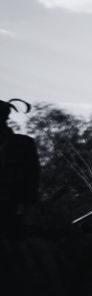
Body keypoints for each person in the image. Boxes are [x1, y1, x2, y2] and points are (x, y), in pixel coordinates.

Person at [0, 98, 40, 243]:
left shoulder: (23, 144)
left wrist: (25, 213)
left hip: (14, 215)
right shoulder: (24, 143)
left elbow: (31, 182)